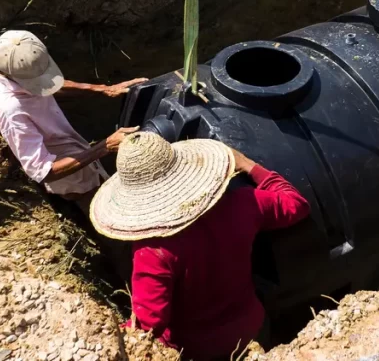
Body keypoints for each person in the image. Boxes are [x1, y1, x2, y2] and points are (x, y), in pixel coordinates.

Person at [90, 132, 310, 360]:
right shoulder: (244, 203)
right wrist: (246, 164)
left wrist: (111, 335)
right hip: (252, 331)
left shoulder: (152, 251)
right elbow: (297, 204)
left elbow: (149, 325)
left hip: (195, 351)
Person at [0, 30, 146, 206]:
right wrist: (105, 147)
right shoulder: (11, 110)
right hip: (57, 157)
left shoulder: (6, 47)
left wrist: (102, 89)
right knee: (89, 196)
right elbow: (43, 171)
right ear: (1, 71)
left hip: (56, 128)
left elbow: (47, 83)